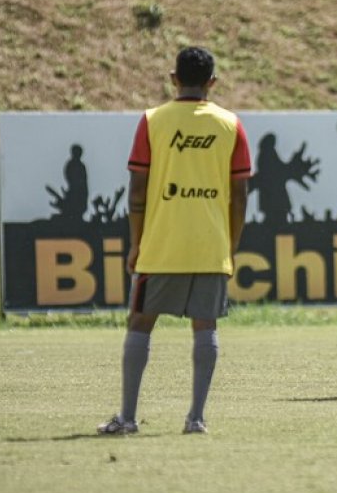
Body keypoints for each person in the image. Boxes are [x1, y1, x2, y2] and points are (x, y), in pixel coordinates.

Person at [98, 46, 252, 434]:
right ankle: (195, 419)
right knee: (206, 327)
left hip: (161, 245)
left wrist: (136, 243)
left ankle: (128, 418)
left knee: (139, 323)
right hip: (210, 245)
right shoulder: (230, 125)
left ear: (173, 78)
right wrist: (229, 246)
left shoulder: (153, 121)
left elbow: (137, 190)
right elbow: (240, 197)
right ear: (212, 83)